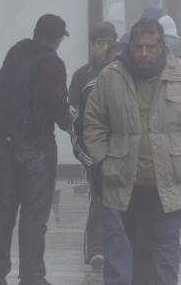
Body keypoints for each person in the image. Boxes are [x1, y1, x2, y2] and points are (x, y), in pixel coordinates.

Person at [83, 18, 181, 285]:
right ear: (129, 48)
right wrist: (103, 160)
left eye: (150, 46)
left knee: (165, 250)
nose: (144, 53)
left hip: (172, 183)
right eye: (138, 47)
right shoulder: (111, 77)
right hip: (123, 182)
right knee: (121, 254)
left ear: (162, 47)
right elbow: (93, 123)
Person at [0, 14, 73, 285]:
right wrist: (70, 123)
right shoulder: (52, 63)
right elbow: (56, 105)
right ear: (57, 39)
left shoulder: (15, 54)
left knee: (2, 212)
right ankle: (32, 276)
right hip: (37, 147)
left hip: (7, 146)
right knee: (34, 215)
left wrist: (2, 132)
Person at [67, 21, 119, 271]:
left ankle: (117, 248)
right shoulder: (82, 76)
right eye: (101, 43)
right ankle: (97, 249)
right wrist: (83, 154)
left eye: (110, 42)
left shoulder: (125, 72)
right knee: (99, 196)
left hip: (123, 151)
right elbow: (73, 120)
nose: (105, 48)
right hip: (93, 152)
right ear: (92, 46)